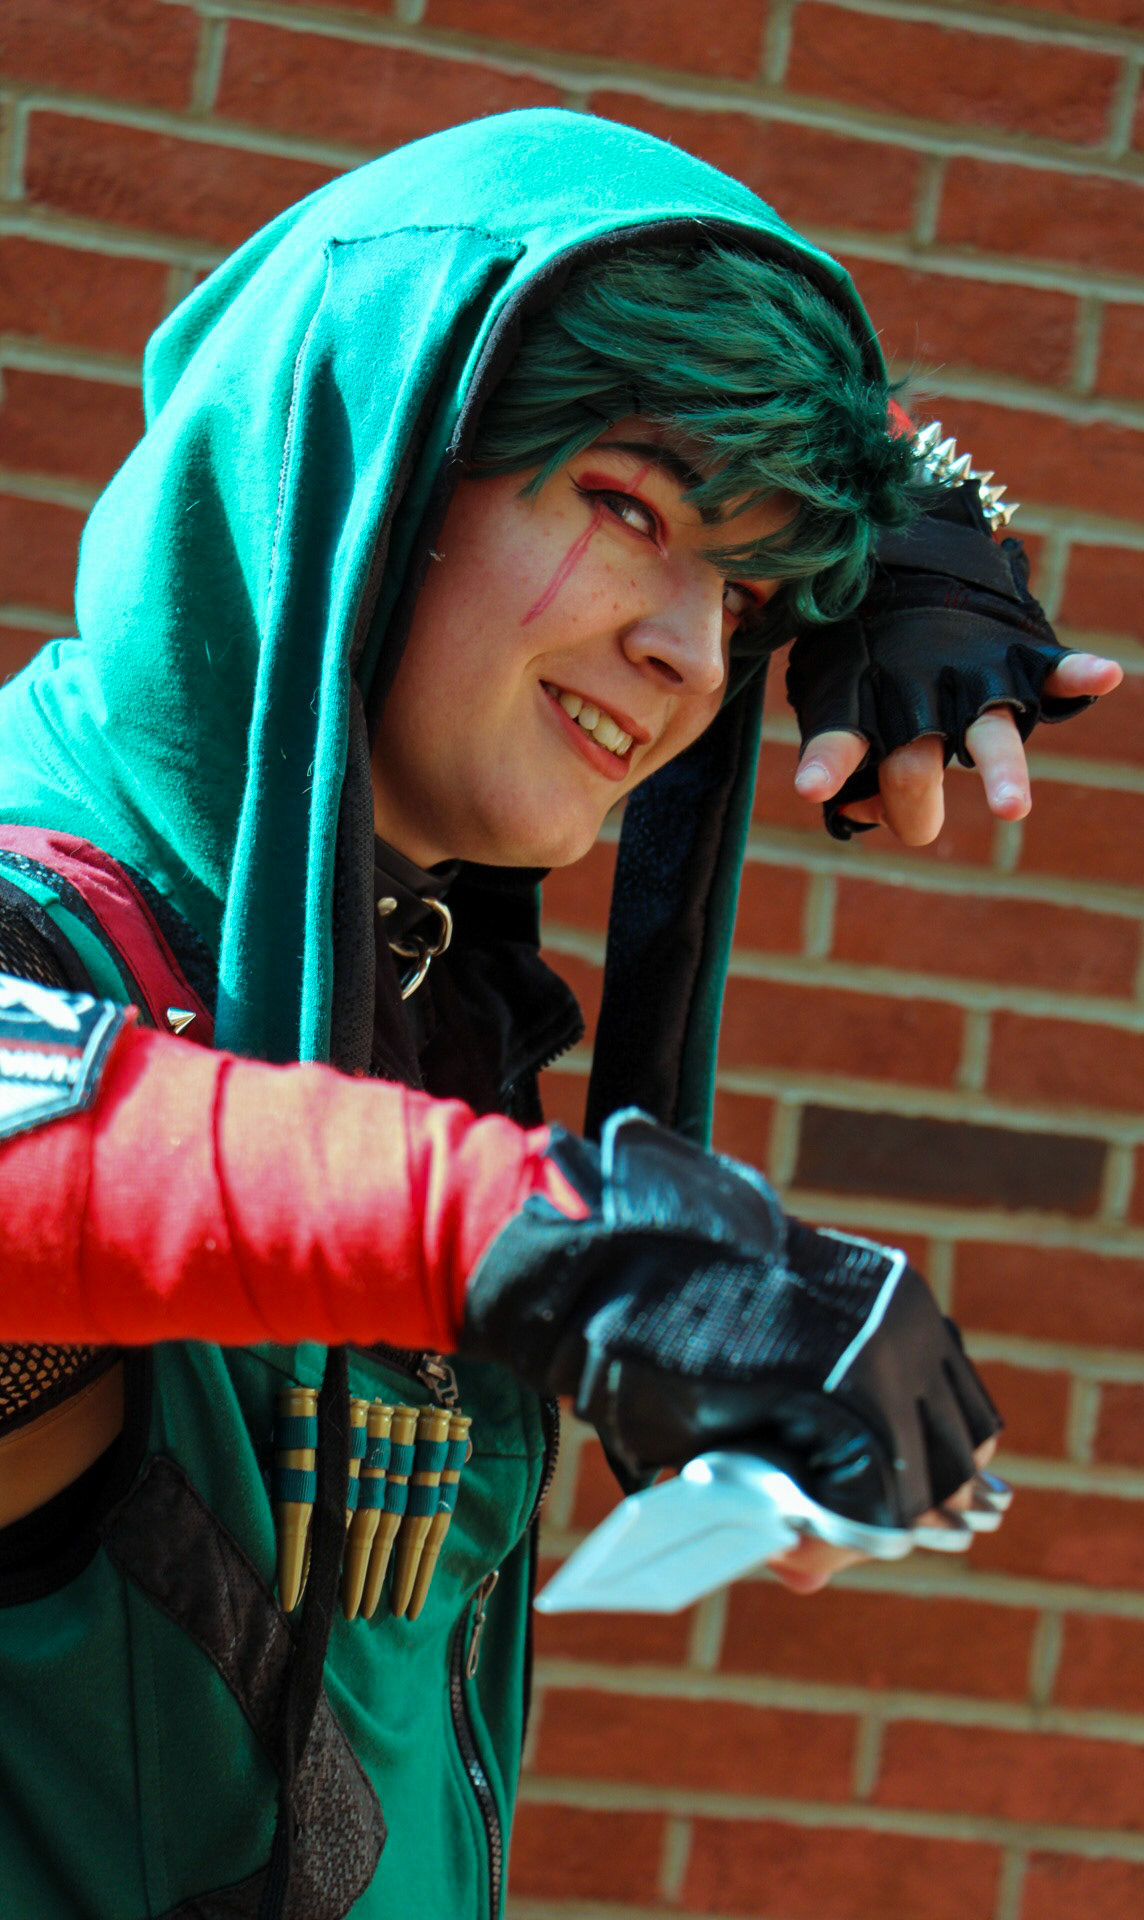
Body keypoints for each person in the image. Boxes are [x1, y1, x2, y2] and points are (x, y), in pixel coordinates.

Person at [0, 110, 1119, 1919]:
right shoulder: (48, 923)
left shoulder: (404, 960)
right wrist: (557, 1245)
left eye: (746, 595)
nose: (694, 651)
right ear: (368, 473)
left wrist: (891, 508)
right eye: (624, 508)